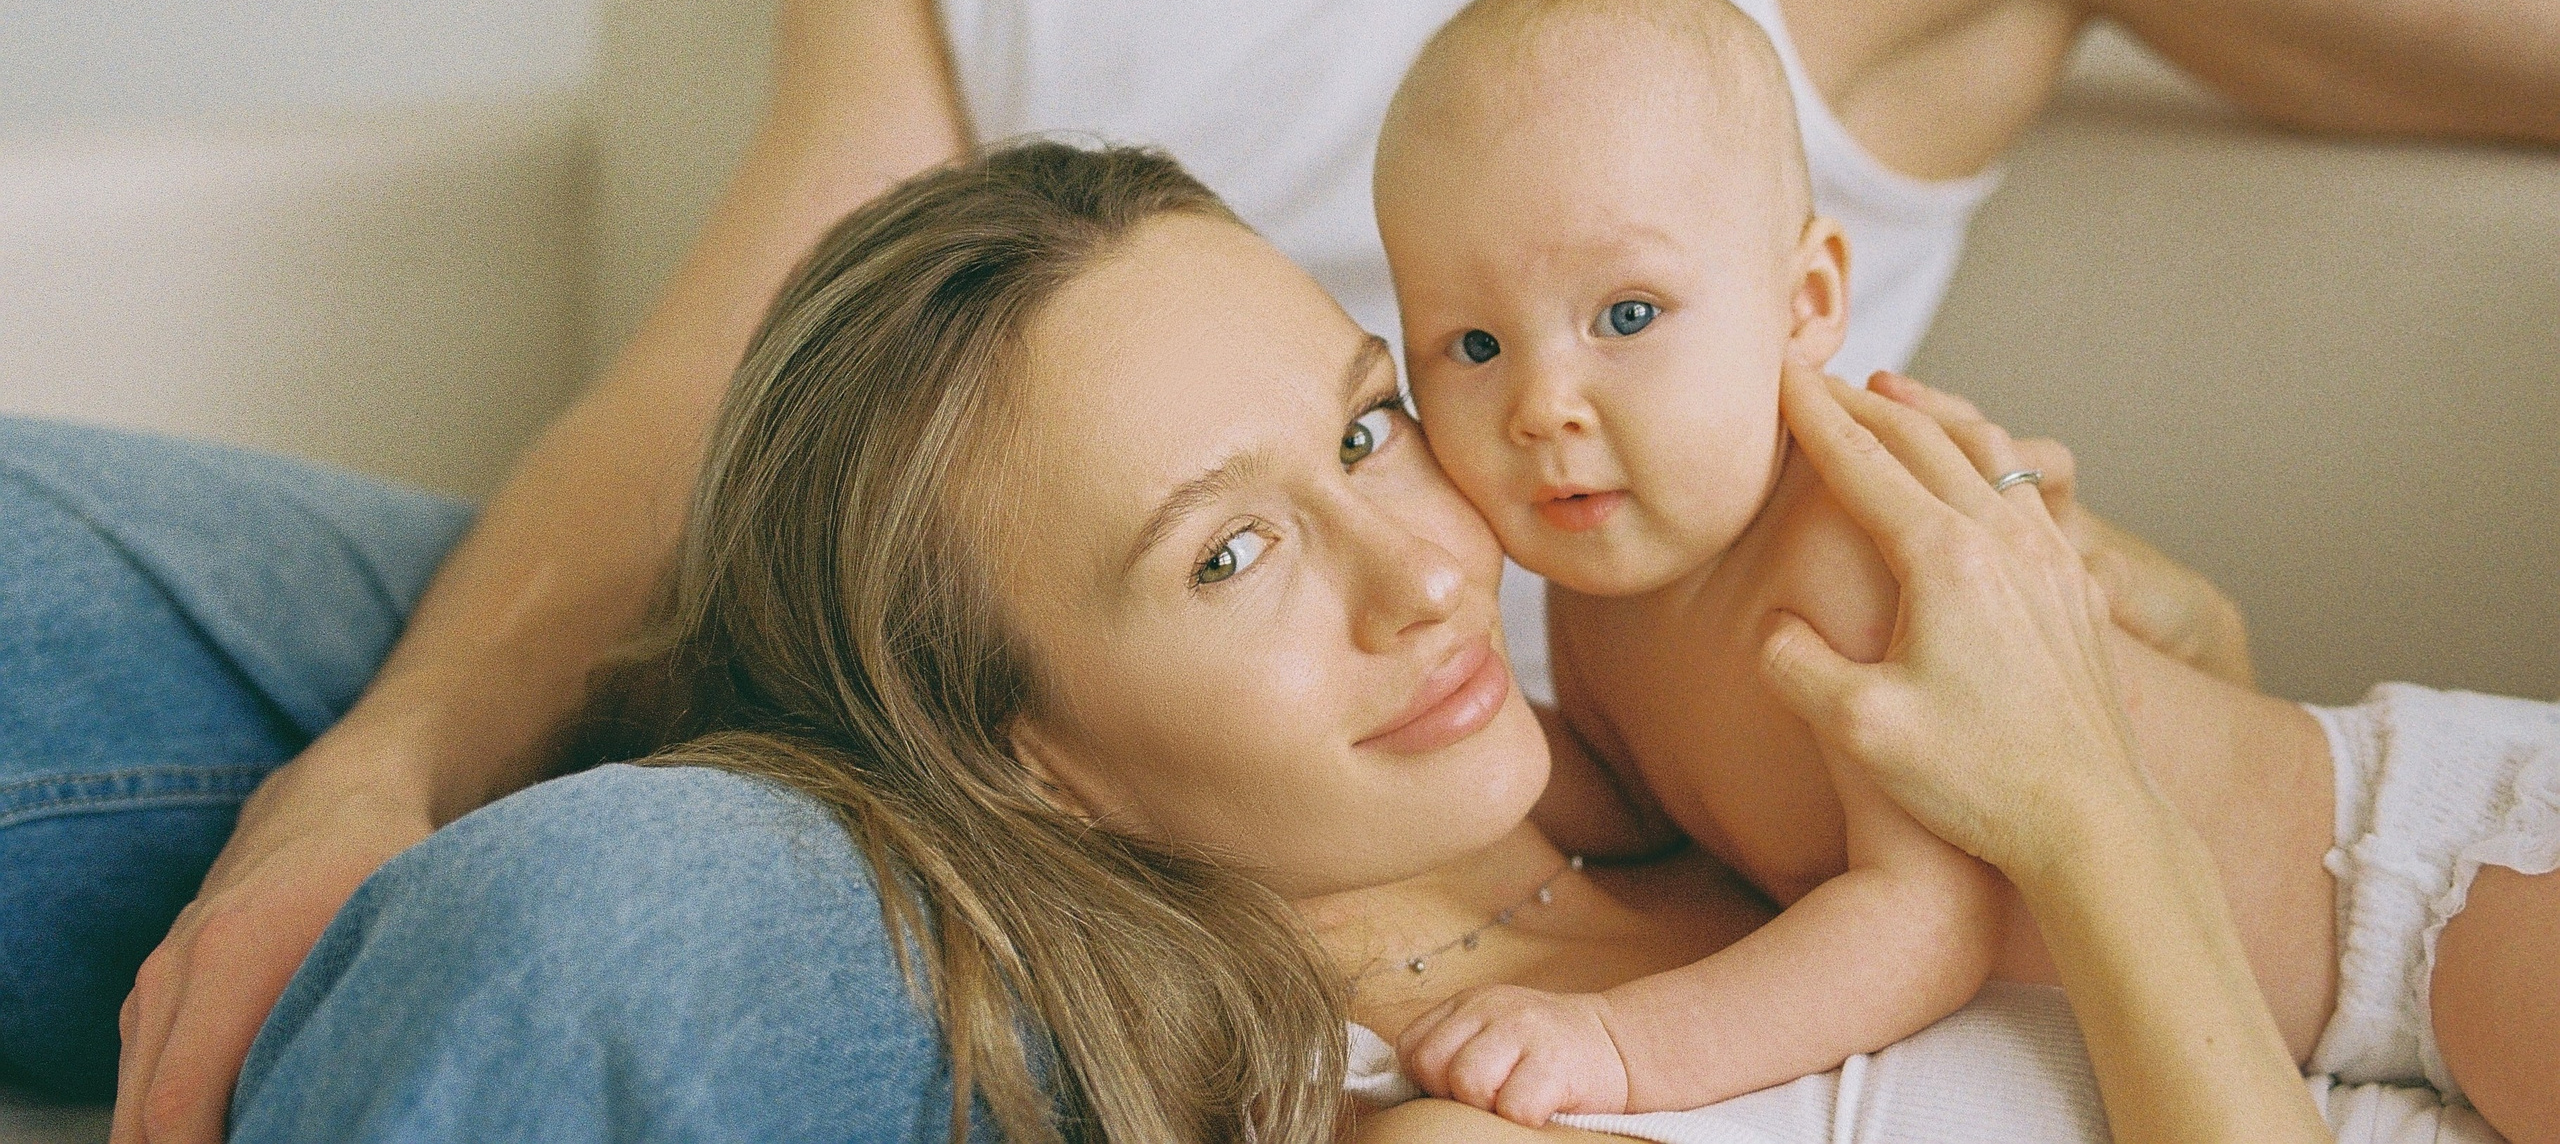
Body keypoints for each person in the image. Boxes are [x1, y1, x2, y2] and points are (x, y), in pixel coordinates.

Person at [9, 0, 2554, 1135]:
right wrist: (393, 742)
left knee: (583, 922)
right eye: (1450, 360)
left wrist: (2118, 661)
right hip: (913, 608)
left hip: (1281, 812)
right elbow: (695, 416)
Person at [561, 137, 2345, 1144]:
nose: (1423, 568)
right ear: (1030, 753)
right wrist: (2092, 812)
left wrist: (2194, 661)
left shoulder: (1698, 749)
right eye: (1232, 553)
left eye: (1364, 428)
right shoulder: (1459, 1116)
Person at [1367, 0, 2560, 1136]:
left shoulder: (1849, 553)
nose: (1540, 404)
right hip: (2266, 1045)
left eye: (1625, 315)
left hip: (2426, 889)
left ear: (1804, 301)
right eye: (1471, 345)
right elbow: (1638, 802)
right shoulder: (1594, 581)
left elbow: (1926, 927)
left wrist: (1618, 1043)